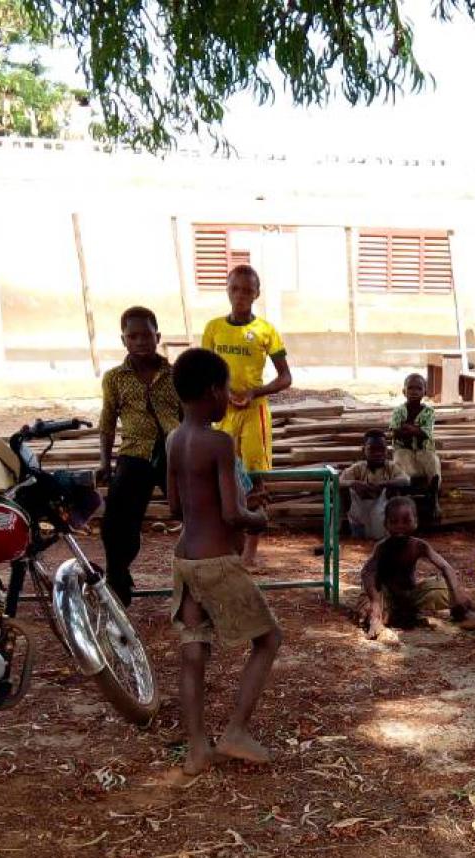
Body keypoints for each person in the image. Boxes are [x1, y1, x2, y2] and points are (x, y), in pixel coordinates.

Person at [160, 347, 283, 787]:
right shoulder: (219, 442)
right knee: (269, 639)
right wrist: (259, 519)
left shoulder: (174, 440)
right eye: (227, 389)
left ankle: (197, 749)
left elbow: (175, 507)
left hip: (184, 560)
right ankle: (235, 731)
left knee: (193, 653)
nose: (229, 397)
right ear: (214, 391)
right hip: (216, 562)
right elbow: (233, 514)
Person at [202, 265, 292, 570]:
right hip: (221, 412)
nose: (241, 295)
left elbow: (286, 377)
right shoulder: (214, 328)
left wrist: (255, 392)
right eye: (235, 288)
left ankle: (251, 552)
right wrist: (222, 394)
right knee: (224, 477)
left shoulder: (266, 331)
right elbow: (205, 370)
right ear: (227, 290)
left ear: (257, 293)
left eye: (247, 290)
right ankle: (228, 543)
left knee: (255, 481)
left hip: (254, 414)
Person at [96, 306, 181, 606]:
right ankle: (117, 579)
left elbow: (189, 414)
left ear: (157, 336)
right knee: (118, 524)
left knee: (192, 514)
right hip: (135, 455)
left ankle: (201, 578)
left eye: (146, 335)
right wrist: (105, 463)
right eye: (133, 336)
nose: (140, 341)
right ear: (124, 341)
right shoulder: (115, 378)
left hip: (174, 452)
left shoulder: (175, 374)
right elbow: (107, 423)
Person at [357, 496, 475, 640]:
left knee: (443, 586)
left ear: (416, 522)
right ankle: (376, 621)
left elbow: (446, 568)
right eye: (393, 522)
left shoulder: (419, 546)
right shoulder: (382, 548)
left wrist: (457, 597)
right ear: (385, 524)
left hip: (412, 596)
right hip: (386, 598)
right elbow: (367, 573)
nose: (400, 526)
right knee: (368, 600)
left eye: (406, 521)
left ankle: (465, 613)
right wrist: (376, 605)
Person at [339, 430, 411, 540]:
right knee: (342, 491)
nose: (378, 453)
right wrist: (354, 484)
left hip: (382, 516)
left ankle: (392, 533)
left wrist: (384, 484)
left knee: (395, 489)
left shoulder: (391, 467)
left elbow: (406, 480)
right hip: (360, 516)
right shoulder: (358, 468)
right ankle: (335, 534)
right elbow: (338, 482)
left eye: (381, 449)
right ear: (364, 450)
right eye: (372, 449)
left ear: (387, 451)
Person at [390, 373, 442, 526]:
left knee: (432, 461)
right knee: (400, 461)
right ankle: (405, 494)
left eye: (418, 388)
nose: (414, 391)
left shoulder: (429, 412)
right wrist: (416, 429)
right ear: (404, 391)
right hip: (403, 449)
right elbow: (395, 431)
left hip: (424, 449)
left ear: (424, 392)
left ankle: (434, 494)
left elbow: (426, 432)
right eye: (410, 388)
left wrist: (409, 428)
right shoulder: (398, 411)